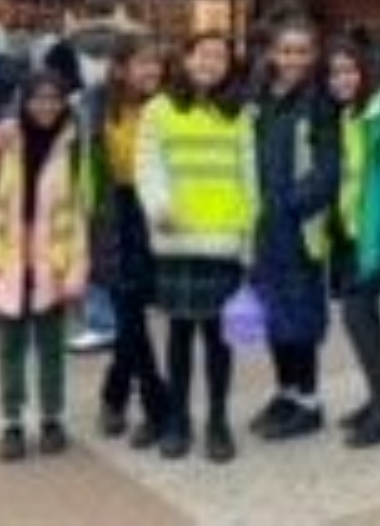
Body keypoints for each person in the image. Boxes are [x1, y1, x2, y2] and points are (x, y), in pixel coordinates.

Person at [138, 32, 256, 463]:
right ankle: (178, 420)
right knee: (179, 335)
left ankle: (218, 421)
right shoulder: (159, 109)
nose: (210, 62)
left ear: (229, 65)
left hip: (223, 240)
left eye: (220, 56)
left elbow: (250, 177)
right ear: (185, 58)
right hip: (177, 239)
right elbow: (147, 166)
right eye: (202, 54)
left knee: (219, 340)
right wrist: (158, 205)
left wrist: (250, 241)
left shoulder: (239, 113)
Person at [0, 70, 89, 463]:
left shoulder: (74, 147)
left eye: (54, 98)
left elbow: (80, 212)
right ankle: (11, 422)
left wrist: (76, 272)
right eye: (38, 98)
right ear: (24, 101)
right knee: (10, 349)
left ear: (64, 101)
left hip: (53, 262)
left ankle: (52, 418)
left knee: (52, 349)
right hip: (8, 262)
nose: (46, 106)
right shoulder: (0, 146)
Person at [249, 18, 340, 442]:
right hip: (262, 228)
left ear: (313, 55)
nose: (293, 60)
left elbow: (328, 169)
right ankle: (284, 391)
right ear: (273, 54)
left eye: (302, 51)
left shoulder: (320, 103)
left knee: (301, 316)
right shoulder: (261, 98)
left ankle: (309, 399)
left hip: (298, 228)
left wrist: (289, 205)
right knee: (272, 315)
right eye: (286, 51)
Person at [85, 35, 170, 451]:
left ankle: (113, 396)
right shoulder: (94, 105)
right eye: (142, 63)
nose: (151, 71)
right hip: (113, 216)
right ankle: (159, 408)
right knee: (130, 315)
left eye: (156, 63)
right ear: (120, 67)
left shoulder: (168, 105)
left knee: (131, 317)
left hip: (153, 212)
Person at [327, 38, 380, 449]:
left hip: (371, 236)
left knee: (360, 319)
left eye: (349, 71)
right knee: (360, 320)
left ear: (365, 73)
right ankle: (378, 399)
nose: (342, 79)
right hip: (347, 232)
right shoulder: (348, 114)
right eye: (335, 72)